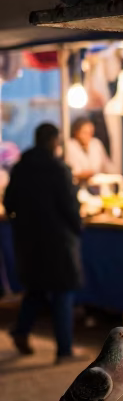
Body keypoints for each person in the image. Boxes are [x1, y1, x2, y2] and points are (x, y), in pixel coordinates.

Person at [5, 123, 82, 360]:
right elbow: (69, 205)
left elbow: (9, 203)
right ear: (53, 141)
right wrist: (77, 226)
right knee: (62, 292)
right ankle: (65, 349)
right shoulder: (58, 169)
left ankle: (21, 331)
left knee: (36, 289)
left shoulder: (21, 167)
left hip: (29, 240)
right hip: (57, 241)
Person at [64, 115, 115, 183]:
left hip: (98, 185)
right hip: (79, 186)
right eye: (84, 133)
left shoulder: (96, 144)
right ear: (76, 132)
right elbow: (74, 171)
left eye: (90, 133)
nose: (88, 136)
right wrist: (88, 174)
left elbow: (106, 165)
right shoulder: (70, 146)